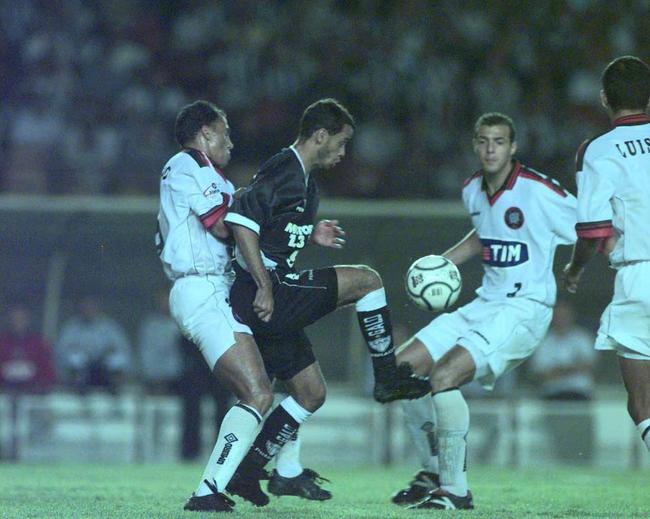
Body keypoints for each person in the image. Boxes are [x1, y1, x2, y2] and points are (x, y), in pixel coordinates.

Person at [223, 98, 429, 506]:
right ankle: (386, 376)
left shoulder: (306, 183)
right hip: (266, 292)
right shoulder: (285, 168)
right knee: (368, 282)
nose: (343, 152)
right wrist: (264, 285)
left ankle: (253, 474)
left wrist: (309, 233)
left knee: (310, 393)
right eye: (341, 142)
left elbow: (271, 227)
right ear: (320, 135)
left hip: (268, 295)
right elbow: (240, 222)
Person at [391, 112, 577, 510]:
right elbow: (484, 236)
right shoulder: (472, 190)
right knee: (399, 373)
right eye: (483, 141)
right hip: (484, 303)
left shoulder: (538, 191)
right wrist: (443, 264)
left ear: (513, 148)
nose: (490, 149)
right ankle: (433, 471)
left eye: (499, 142)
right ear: (475, 145)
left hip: (524, 309)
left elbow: (592, 227)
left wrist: (575, 268)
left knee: (444, 375)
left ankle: (456, 490)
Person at [156, 100, 274, 513]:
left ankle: (256, 473)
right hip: (203, 289)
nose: (231, 141)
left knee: (271, 377)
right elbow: (224, 225)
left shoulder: (212, 178)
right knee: (257, 392)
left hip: (215, 289)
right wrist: (253, 201)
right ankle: (212, 488)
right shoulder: (189, 165)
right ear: (205, 133)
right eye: (225, 132)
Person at [564, 55, 650, 454]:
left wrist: (575, 268)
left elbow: (593, 230)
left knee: (643, 404)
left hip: (639, 281)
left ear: (603, 98)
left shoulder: (598, 151)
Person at [529, 299, 596, 463]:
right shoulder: (544, 342)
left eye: (565, 315)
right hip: (554, 396)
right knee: (559, 437)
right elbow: (542, 373)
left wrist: (558, 370)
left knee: (581, 437)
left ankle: (584, 465)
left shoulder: (581, 337)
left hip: (580, 395)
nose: (561, 319)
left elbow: (589, 364)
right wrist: (574, 367)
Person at [55, 294, 131, 394]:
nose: (89, 309)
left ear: (98, 307)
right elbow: (61, 351)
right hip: (82, 371)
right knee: (74, 357)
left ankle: (115, 388)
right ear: (80, 307)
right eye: (85, 305)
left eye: (92, 305)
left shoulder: (110, 326)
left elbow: (122, 349)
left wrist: (109, 352)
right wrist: (76, 351)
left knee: (118, 357)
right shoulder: (71, 327)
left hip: (104, 369)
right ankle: (76, 388)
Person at [0, 303, 56, 391]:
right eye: (15, 319)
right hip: (4, 391)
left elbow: (48, 371)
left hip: (32, 393)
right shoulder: (2, 342)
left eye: (21, 319)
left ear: (28, 321)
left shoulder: (39, 344)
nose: (18, 323)